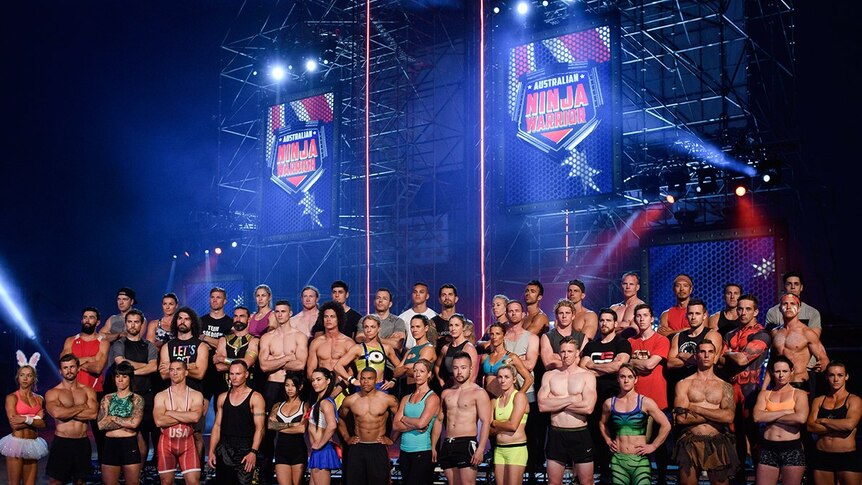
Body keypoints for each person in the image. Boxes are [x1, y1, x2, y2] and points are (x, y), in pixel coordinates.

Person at [673, 341, 738, 485]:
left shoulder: (725, 386)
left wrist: (696, 409)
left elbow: (728, 417)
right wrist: (716, 414)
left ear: (715, 356)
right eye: (702, 351)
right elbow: (681, 419)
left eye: (710, 352)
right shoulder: (684, 384)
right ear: (696, 355)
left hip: (717, 441)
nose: (706, 355)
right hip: (690, 441)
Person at [580, 308, 632, 483]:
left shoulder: (622, 343)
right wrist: (608, 367)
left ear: (615, 324)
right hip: (593, 399)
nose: (604, 323)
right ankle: (601, 474)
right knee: (597, 436)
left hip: (615, 398)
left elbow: (618, 367)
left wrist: (593, 366)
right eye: (602, 320)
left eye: (608, 320)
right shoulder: (591, 345)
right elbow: (582, 367)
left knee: (617, 437)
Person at [259, 299, 308, 483]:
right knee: (268, 432)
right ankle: (265, 476)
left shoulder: (299, 336)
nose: (280, 315)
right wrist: (288, 357)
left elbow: (301, 364)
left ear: (290, 313)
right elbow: (264, 366)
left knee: (297, 429)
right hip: (272, 386)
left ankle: (297, 472)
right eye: (277, 312)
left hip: (292, 386)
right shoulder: (267, 338)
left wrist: (276, 361)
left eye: (283, 311)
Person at [537, 336, 598, 485]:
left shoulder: (587, 376)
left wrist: (555, 402)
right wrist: (572, 399)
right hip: (556, 434)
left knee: (587, 481)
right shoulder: (550, 375)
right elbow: (542, 406)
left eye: (570, 351)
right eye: (563, 351)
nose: (566, 354)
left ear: (577, 353)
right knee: (554, 482)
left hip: (579, 433)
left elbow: (588, 408)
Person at [721, 294, 771, 471]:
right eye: (740, 308)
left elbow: (742, 359)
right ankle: (738, 474)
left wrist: (728, 354)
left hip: (751, 389)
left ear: (756, 311)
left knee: (753, 434)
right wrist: (730, 355)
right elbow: (718, 360)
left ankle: (761, 476)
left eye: (748, 309)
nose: (742, 312)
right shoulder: (730, 333)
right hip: (730, 388)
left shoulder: (762, 334)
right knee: (733, 433)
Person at [598, 364, 671, 485]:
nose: (626, 380)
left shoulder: (645, 402)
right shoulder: (609, 403)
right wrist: (608, 440)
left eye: (630, 377)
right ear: (617, 379)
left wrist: (653, 446)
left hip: (639, 461)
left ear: (635, 379)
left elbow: (666, 425)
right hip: (618, 460)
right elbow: (602, 423)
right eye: (622, 377)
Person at [107, 309, 158, 466]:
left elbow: (153, 367)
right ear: (125, 324)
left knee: (144, 434)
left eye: (136, 321)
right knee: (128, 434)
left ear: (142, 324)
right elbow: (121, 363)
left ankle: (141, 471)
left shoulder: (149, 345)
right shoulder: (119, 344)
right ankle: (125, 469)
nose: (133, 325)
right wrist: (144, 366)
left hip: (147, 395)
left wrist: (131, 370)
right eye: (130, 321)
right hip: (126, 396)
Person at [628, 304, 671, 485]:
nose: (642, 319)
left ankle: (661, 479)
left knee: (658, 445)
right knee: (637, 444)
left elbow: (649, 365)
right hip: (635, 400)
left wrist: (631, 361)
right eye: (638, 316)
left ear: (651, 318)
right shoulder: (630, 342)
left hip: (657, 399)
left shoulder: (662, 340)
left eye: (645, 315)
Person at [159, 307, 209, 462]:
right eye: (180, 318)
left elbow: (200, 373)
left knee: (196, 434)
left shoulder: (201, 346)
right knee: (170, 431)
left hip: (194, 394)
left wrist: (174, 369)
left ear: (192, 322)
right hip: (171, 396)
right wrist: (190, 366)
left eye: (187, 318)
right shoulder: (168, 346)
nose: (182, 321)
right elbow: (163, 373)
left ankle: (198, 470)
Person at [60, 306, 110, 461]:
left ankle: (104, 470)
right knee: (72, 433)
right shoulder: (70, 340)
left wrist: (76, 363)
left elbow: (98, 367)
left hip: (95, 391)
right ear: (82, 320)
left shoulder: (103, 342)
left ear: (98, 322)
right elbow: (64, 363)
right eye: (85, 317)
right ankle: (71, 469)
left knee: (101, 436)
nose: (87, 320)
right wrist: (89, 358)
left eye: (91, 317)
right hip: (73, 392)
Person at [338, 368, 400, 485]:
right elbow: (339, 418)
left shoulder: (388, 399)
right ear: (359, 380)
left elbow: (401, 420)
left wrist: (392, 439)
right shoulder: (350, 400)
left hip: (377, 446)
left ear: (376, 380)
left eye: (369, 379)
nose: (366, 382)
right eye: (363, 378)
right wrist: (347, 438)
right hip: (357, 447)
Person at [753, 355, 809, 485]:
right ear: (772, 373)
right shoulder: (765, 394)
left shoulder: (799, 394)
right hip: (768, 447)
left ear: (791, 372)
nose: (781, 375)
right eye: (777, 371)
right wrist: (786, 412)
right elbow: (757, 417)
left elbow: (801, 418)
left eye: (784, 371)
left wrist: (769, 415)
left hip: (792, 448)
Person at [44, 354, 99, 485]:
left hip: (82, 442)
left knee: (80, 481)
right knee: (56, 481)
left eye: (72, 367)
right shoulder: (53, 392)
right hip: (62, 443)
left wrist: (66, 411)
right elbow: (57, 413)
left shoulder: (88, 391)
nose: (69, 370)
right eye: (65, 367)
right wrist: (81, 406)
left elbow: (93, 414)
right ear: (60, 370)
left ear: (78, 368)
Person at [209, 360, 266, 485]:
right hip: (224, 448)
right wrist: (211, 451)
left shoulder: (256, 397)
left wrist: (253, 452)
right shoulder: (222, 397)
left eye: (238, 374)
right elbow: (217, 426)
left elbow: (260, 428)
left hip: (245, 448)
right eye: (231, 374)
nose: (234, 377)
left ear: (246, 374)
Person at [439, 352, 492, 485]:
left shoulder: (479, 393)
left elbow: (486, 422)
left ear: (470, 369)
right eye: (456, 368)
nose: (459, 372)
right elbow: (440, 420)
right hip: (448, 443)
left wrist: (480, 449)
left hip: (467, 443)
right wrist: (436, 446)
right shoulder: (446, 393)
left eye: (463, 367)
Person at [807, 362, 862, 485]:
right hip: (822, 456)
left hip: (846, 457)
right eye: (832, 375)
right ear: (826, 377)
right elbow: (810, 426)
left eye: (840, 375)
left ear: (846, 377)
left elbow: (849, 425)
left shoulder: (854, 400)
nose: (836, 379)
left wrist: (823, 420)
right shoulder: (819, 400)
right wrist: (839, 426)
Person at [153, 360, 205, 485]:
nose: (174, 373)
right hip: (167, 445)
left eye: (178, 369)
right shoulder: (161, 396)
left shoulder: (196, 395)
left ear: (186, 372)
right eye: (171, 370)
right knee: (166, 482)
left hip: (188, 445)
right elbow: (159, 421)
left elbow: (195, 417)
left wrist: (169, 412)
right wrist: (186, 415)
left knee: (194, 482)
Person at [1, 353, 48, 485]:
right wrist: (34, 418)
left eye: (29, 375)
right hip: (16, 443)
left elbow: (43, 424)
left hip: (33, 444)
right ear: (18, 378)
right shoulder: (12, 397)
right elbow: (14, 424)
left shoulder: (39, 399)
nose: (25, 378)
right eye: (22, 375)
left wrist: (24, 419)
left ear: (34, 378)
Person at [666, 298, 723, 408]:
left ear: (704, 315)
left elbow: (710, 361)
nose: (693, 317)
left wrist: (682, 355)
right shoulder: (678, 337)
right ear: (686, 315)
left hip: (703, 389)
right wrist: (695, 359)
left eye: (697, 313)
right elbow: (670, 363)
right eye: (690, 313)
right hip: (680, 387)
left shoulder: (712, 335)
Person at [97, 361, 145, 485]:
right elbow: (101, 424)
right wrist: (125, 421)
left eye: (124, 376)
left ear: (130, 378)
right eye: (118, 376)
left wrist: (112, 417)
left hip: (129, 445)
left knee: (133, 483)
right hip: (110, 445)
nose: (120, 380)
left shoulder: (137, 399)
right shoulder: (107, 398)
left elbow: (134, 423)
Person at [393, 359, 440, 485]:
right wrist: (414, 424)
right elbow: (395, 425)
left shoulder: (432, 398)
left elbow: (421, 424)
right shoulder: (406, 398)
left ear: (429, 374)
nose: (418, 374)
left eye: (422, 371)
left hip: (421, 451)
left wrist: (404, 419)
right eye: (415, 371)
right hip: (404, 451)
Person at [770, 293, 829, 390]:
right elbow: (771, 362)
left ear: (799, 308)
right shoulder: (775, 333)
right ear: (780, 308)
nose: (788, 307)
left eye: (793, 304)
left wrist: (820, 366)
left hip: (799, 384)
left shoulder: (807, 333)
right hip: (778, 385)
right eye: (785, 304)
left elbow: (824, 359)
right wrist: (764, 388)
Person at [335, 314, 401, 391]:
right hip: (362, 389)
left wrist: (393, 381)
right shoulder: (357, 348)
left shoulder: (387, 348)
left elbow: (400, 367)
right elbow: (337, 366)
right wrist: (352, 380)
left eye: (372, 327)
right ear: (363, 329)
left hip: (380, 388)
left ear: (379, 328)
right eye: (366, 327)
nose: (369, 330)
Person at [490, 364, 530, 485]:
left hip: (516, 449)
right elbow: (489, 431)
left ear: (514, 379)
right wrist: (498, 426)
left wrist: (495, 423)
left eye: (506, 377)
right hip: (499, 449)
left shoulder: (519, 396)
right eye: (500, 377)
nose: (503, 380)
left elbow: (513, 426)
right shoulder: (495, 401)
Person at [267, 373, 307, 485]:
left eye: (293, 385)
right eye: (287, 385)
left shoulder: (305, 406)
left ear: (300, 386)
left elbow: (302, 428)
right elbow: (270, 425)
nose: (289, 389)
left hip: (298, 451)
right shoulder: (277, 406)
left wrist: (279, 426)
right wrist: (292, 425)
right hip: (281, 451)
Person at [200, 287, 235, 406]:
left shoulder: (230, 323)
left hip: (221, 372)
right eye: (212, 297)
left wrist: (206, 338)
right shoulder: (200, 321)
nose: (214, 300)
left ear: (225, 301)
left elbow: (228, 346)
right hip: (203, 371)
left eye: (218, 297)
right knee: (201, 408)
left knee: (221, 407)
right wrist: (217, 342)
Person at [213, 305, 260, 393]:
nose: (238, 319)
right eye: (235, 316)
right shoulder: (223, 339)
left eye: (241, 316)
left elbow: (247, 363)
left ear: (249, 319)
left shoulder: (254, 340)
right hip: (224, 388)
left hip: (248, 388)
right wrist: (240, 366)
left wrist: (223, 359)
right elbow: (219, 367)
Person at [306, 368, 341, 485]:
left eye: (319, 379)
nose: (315, 383)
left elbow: (332, 425)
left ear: (328, 381)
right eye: (313, 380)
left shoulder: (325, 402)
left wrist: (320, 444)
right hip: (318, 451)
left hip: (323, 450)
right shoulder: (320, 401)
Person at [481, 323, 533, 398]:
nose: (494, 337)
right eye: (492, 334)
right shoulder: (485, 357)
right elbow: (479, 380)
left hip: (504, 400)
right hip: (487, 400)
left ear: (504, 336)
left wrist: (517, 396)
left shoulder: (512, 357)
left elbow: (529, 379)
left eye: (498, 334)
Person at [394, 314, 437, 396]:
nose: (414, 330)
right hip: (406, 389)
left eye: (418, 327)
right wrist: (407, 367)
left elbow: (417, 370)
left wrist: (404, 368)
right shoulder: (410, 350)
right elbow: (396, 372)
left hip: (421, 390)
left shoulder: (428, 348)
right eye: (412, 327)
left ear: (426, 328)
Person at [541, 299, 587, 371]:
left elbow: (583, 363)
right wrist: (575, 359)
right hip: (556, 378)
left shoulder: (582, 337)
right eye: (561, 313)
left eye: (567, 313)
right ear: (556, 316)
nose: (564, 316)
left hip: (576, 378)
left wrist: (558, 357)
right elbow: (548, 364)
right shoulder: (547, 337)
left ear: (573, 316)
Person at [435, 314, 479, 388]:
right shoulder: (445, 348)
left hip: (465, 390)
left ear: (463, 327)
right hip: (449, 388)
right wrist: (441, 381)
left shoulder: (469, 348)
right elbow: (437, 366)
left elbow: (473, 375)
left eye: (457, 325)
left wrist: (464, 391)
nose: (453, 328)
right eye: (451, 325)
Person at [399, 282, 439, 349]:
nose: (417, 294)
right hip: (408, 354)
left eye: (421, 292)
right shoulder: (402, 317)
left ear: (427, 296)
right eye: (415, 292)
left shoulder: (434, 316)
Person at [432, 284, 460, 350]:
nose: (447, 297)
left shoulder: (466, 322)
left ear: (456, 299)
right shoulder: (432, 323)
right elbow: (431, 348)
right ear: (439, 299)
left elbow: (470, 348)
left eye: (450, 294)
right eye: (444, 295)